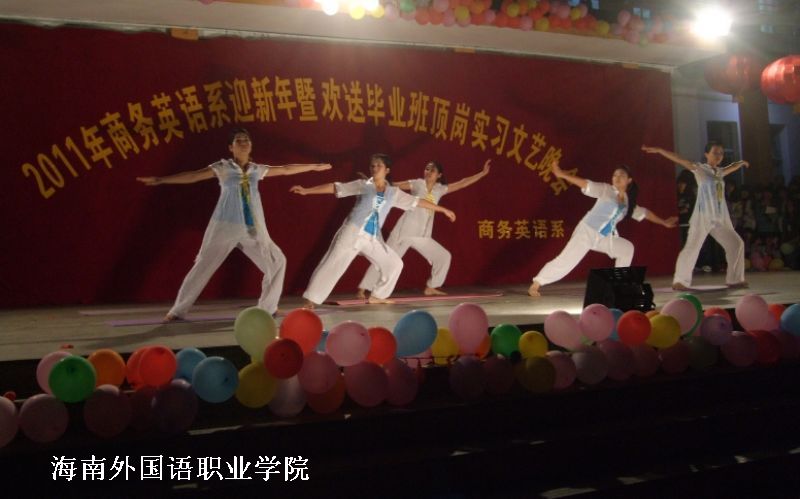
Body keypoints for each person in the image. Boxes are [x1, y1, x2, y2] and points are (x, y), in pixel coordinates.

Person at [137, 127, 332, 321]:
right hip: (225, 225)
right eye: (239, 140)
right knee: (203, 266)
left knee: (277, 261)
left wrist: (313, 167)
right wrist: (161, 180)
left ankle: (268, 308)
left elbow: (285, 169)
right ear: (231, 147)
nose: (244, 143)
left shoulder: (256, 170)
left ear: (251, 145)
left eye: (246, 139)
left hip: (253, 229)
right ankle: (177, 311)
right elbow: (194, 175)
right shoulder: (223, 167)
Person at [290, 153, 456, 308]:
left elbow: (417, 201)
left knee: (394, 263)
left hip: (372, 238)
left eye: (379, 166)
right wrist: (307, 190)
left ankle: (377, 295)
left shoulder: (393, 193)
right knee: (333, 264)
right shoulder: (363, 185)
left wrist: (443, 210)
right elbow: (335, 188)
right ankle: (310, 299)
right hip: (352, 232)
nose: (375, 168)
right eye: (372, 166)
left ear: (387, 170)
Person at [528, 160, 677, 297]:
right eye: (615, 175)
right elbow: (586, 184)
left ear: (629, 180)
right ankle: (537, 283)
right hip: (587, 232)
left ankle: (619, 286)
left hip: (604, 237)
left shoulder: (627, 203)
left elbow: (644, 213)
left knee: (627, 249)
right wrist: (561, 175)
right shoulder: (606, 190)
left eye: (622, 175)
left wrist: (663, 222)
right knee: (567, 260)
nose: (617, 177)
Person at [356, 159, 491, 298]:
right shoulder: (417, 184)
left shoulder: (440, 189)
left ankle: (431, 287)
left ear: (439, 175)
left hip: (423, 235)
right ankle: (364, 288)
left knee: (443, 256)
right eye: (427, 169)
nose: (428, 172)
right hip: (405, 232)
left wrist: (482, 173)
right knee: (386, 258)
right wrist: (374, 182)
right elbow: (394, 185)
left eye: (432, 170)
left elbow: (462, 183)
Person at [641, 141, 750, 290]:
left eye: (721, 153)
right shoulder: (700, 169)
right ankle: (680, 281)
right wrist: (660, 149)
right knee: (692, 247)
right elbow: (680, 159)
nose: (719, 156)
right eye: (715, 152)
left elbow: (731, 167)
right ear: (706, 154)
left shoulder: (720, 172)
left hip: (720, 217)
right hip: (703, 216)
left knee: (736, 244)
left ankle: (735, 280)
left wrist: (740, 163)